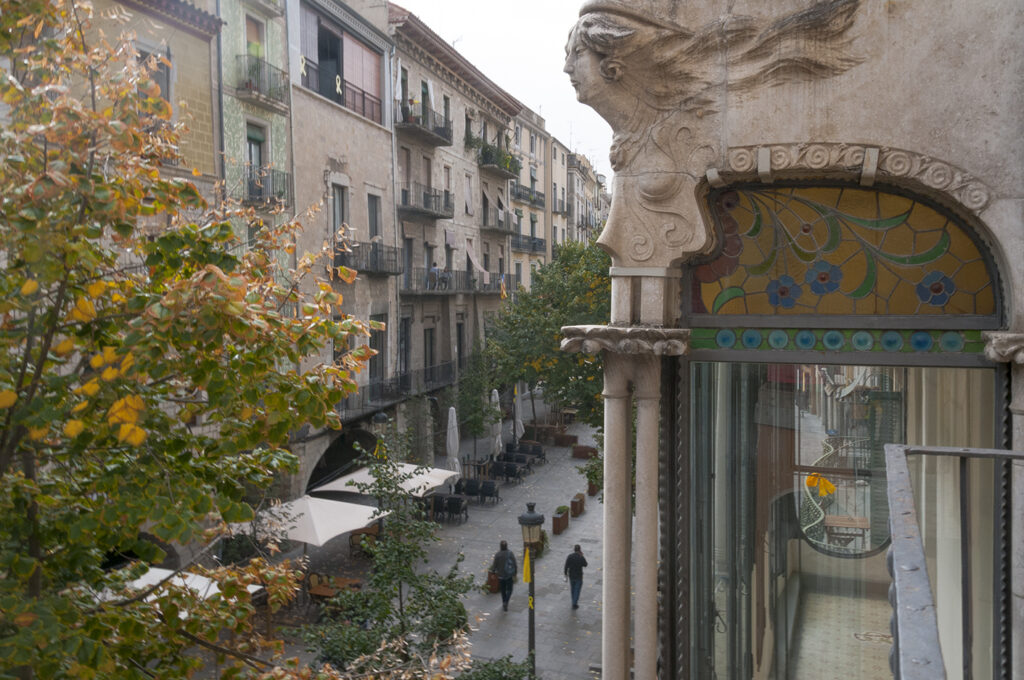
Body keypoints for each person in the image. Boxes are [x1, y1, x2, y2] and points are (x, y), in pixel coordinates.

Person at [490, 540, 517, 611]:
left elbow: (494, 565)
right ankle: (506, 601)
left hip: (501, 575)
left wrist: (493, 573)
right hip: (508, 574)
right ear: (507, 546)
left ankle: (504, 601)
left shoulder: (498, 554)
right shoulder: (510, 553)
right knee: (510, 589)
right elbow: (514, 563)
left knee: (503, 590)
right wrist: (515, 573)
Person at [563, 544, 588, 609]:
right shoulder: (580, 557)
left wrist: (565, 574)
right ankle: (574, 603)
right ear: (579, 550)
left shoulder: (570, 556)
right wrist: (582, 556)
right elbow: (585, 564)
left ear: (574, 549)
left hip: (571, 575)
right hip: (579, 576)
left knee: (573, 589)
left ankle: (573, 601)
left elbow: (566, 566)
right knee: (577, 589)